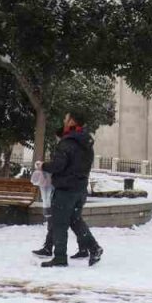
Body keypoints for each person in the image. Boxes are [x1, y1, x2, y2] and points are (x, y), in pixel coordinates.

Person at [37, 109, 102, 268]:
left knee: (59, 222)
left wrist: (43, 165)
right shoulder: (86, 142)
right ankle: (94, 248)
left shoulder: (67, 142)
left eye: (66, 118)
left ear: (72, 121)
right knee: (75, 219)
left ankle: (60, 257)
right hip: (80, 188)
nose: (64, 121)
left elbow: (59, 166)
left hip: (66, 189)